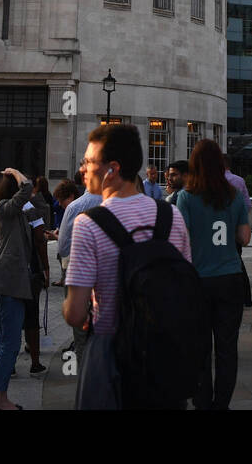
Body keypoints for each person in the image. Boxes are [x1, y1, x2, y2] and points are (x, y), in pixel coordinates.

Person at [63, 123, 191, 410]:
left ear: (112, 169)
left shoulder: (88, 224)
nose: (83, 169)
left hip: (111, 354)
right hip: (165, 354)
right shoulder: (172, 216)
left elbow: (74, 314)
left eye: (89, 161)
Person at [174, 139, 251, 408]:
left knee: (200, 348)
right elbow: (244, 237)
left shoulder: (186, 197)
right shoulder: (234, 195)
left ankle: (203, 402)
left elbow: (180, 238)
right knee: (227, 348)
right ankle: (222, 404)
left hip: (198, 280)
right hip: (230, 276)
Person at [0, 168, 40, 409]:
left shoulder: (12, 211)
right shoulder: (6, 208)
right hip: (9, 281)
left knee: (6, 339)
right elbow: (27, 188)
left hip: (14, 280)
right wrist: (16, 172)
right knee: (10, 342)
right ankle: (0, 398)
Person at [0, 171, 50, 375]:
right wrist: (46, 267)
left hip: (7, 271)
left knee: (9, 320)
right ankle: (35, 362)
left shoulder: (1, 209)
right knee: (31, 317)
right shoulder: (30, 209)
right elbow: (40, 240)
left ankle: (8, 364)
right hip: (29, 269)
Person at [55, 175, 101, 359]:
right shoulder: (113, 202)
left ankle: (82, 370)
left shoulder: (75, 206)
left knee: (80, 325)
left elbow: (63, 247)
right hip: (106, 272)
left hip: (78, 271)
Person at [223, 154, 252, 307]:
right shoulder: (239, 180)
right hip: (236, 227)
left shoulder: (215, 180)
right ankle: (246, 297)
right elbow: (247, 204)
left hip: (220, 227)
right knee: (237, 261)